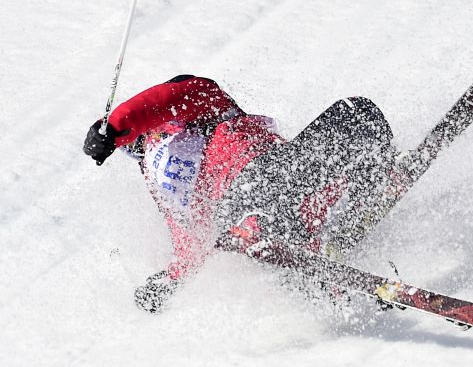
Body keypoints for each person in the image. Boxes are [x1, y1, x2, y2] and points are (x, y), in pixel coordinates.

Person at [83, 75, 398, 312]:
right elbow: (190, 238)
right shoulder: (162, 182)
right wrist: (171, 280)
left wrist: (113, 126)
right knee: (272, 198)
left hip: (281, 176)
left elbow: (165, 99)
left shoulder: (205, 102)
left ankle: (342, 232)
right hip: (247, 203)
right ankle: (307, 258)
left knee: (358, 112)